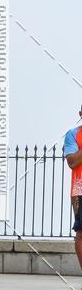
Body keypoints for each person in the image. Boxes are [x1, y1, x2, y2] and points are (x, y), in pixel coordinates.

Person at [64, 108, 82, 271]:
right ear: (80, 114)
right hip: (80, 190)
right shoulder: (72, 134)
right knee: (81, 233)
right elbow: (72, 162)